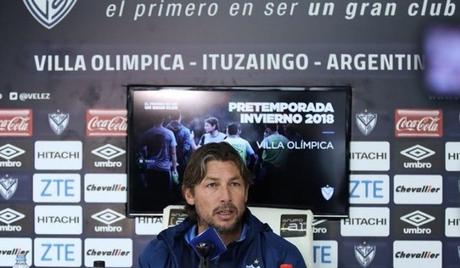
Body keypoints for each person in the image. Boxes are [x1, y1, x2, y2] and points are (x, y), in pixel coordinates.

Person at [138, 142, 307, 268]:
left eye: (234, 184)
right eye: (212, 185)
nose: (226, 197)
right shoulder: (160, 255)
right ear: (190, 194)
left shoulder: (281, 256)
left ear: (246, 192)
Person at [135, 113, 178, 212]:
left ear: (152, 119)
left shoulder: (147, 133)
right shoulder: (169, 133)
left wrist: (143, 164)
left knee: (152, 195)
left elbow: (139, 152)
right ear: (163, 119)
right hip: (165, 169)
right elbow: (173, 153)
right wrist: (175, 169)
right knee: (165, 196)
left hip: (151, 169)